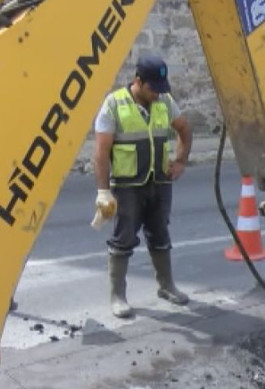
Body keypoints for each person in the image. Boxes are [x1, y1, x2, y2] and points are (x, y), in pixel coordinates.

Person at [92, 54, 193, 318]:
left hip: (159, 183)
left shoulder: (165, 101)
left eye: (161, 88)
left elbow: (184, 129)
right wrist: (103, 192)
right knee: (123, 238)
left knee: (160, 233)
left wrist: (181, 161)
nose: (157, 94)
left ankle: (166, 286)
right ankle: (118, 296)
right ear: (138, 81)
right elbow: (101, 153)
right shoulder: (114, 104)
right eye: (153, 88)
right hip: (128, 187)